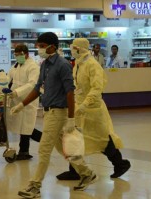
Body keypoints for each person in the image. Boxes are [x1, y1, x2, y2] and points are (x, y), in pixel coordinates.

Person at [12, 32, 97, 198]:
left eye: (42, 46)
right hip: (48, 112)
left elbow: (70, 93)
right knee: (62, 148)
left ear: (52, 46)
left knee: (44, 149)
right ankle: (87, 173)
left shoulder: (63, 65)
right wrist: (22, 105)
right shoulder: (45, 65)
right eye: (38, 46)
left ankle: (35, 186)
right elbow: (38, 89)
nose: (39, 49)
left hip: (58, 112)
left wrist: (71, 118)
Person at [57, 38, 130, 181]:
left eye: (74, 48)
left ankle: (120, 164)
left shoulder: (93, 65)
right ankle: (75, 170)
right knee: (75, 138)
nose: (72, 50)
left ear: (80, 49)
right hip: (80, 107)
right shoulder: (78, 64)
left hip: (93, 109)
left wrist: (86, 104)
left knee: (102, 139)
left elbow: (97, 88)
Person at [3, 44, 40, 160]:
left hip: (27, 101)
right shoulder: (16, 66)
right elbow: (8, 78)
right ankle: (24, 151)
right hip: (16, 100)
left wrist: (16, 92)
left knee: (27, 127)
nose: (18, 57)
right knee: (22, 127)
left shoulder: (33, 67)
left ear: (27, 54)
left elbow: (32, 84)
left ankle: (46, 141)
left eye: (20, 55)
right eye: (16, 55)